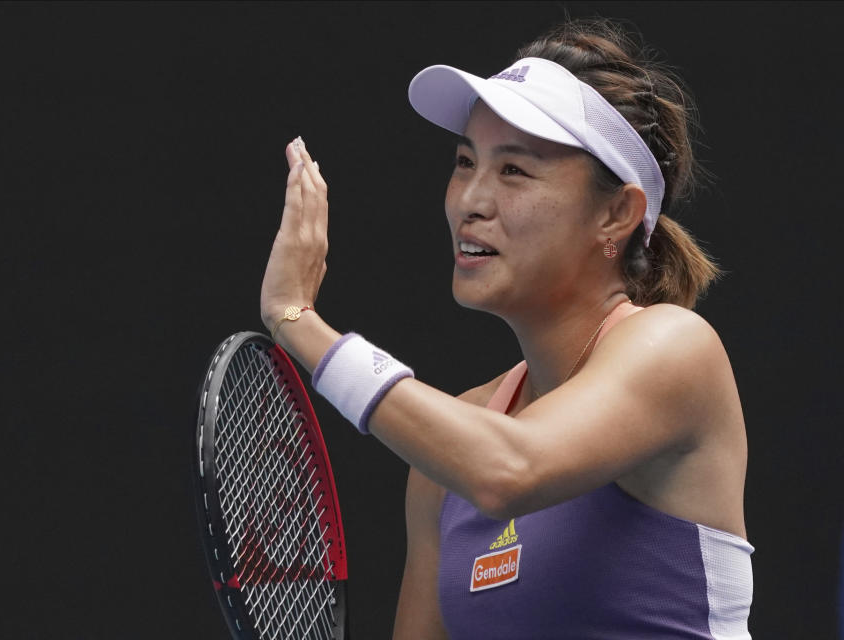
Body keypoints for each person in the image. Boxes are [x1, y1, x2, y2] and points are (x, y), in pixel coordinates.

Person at [259, 18, 753, 639]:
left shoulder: (675, 347)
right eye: (466, 162)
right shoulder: (446, 459)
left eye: (514, 171)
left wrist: (297, 320)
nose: (471, 199)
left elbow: (507, 471)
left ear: (616, 214)